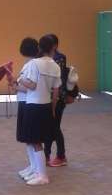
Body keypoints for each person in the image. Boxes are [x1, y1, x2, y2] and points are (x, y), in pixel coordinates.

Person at [18, 34, 61, 186]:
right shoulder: (55, 66)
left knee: (35, 141)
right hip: (46, 105)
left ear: (39, 48)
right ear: (53, 48)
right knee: (34, 140)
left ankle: (42, 175)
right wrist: (53, 109)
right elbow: (56, 92)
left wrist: (20, 79)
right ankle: (36, 171)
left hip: (33, 105)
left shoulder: (34, 63)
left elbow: (32, 85)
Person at [9, 37, 39, 180]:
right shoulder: (28, 64)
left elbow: (30, 87)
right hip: (23, 101)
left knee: (31, 138)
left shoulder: (32, 65)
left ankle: (37, 169)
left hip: (28, 102)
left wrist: (17, 85)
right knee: (27, 138)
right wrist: (15, 85)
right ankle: (33, 166)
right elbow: (25, 85)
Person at [44, 33, 68, 167]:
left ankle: (61, 156)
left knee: (55, 127)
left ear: (54, 45)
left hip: (58, 98)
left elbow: (56, 79)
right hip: (47, 98)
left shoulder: (59, 58)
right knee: (49, 127)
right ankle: (46, 155)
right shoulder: (44, 58)